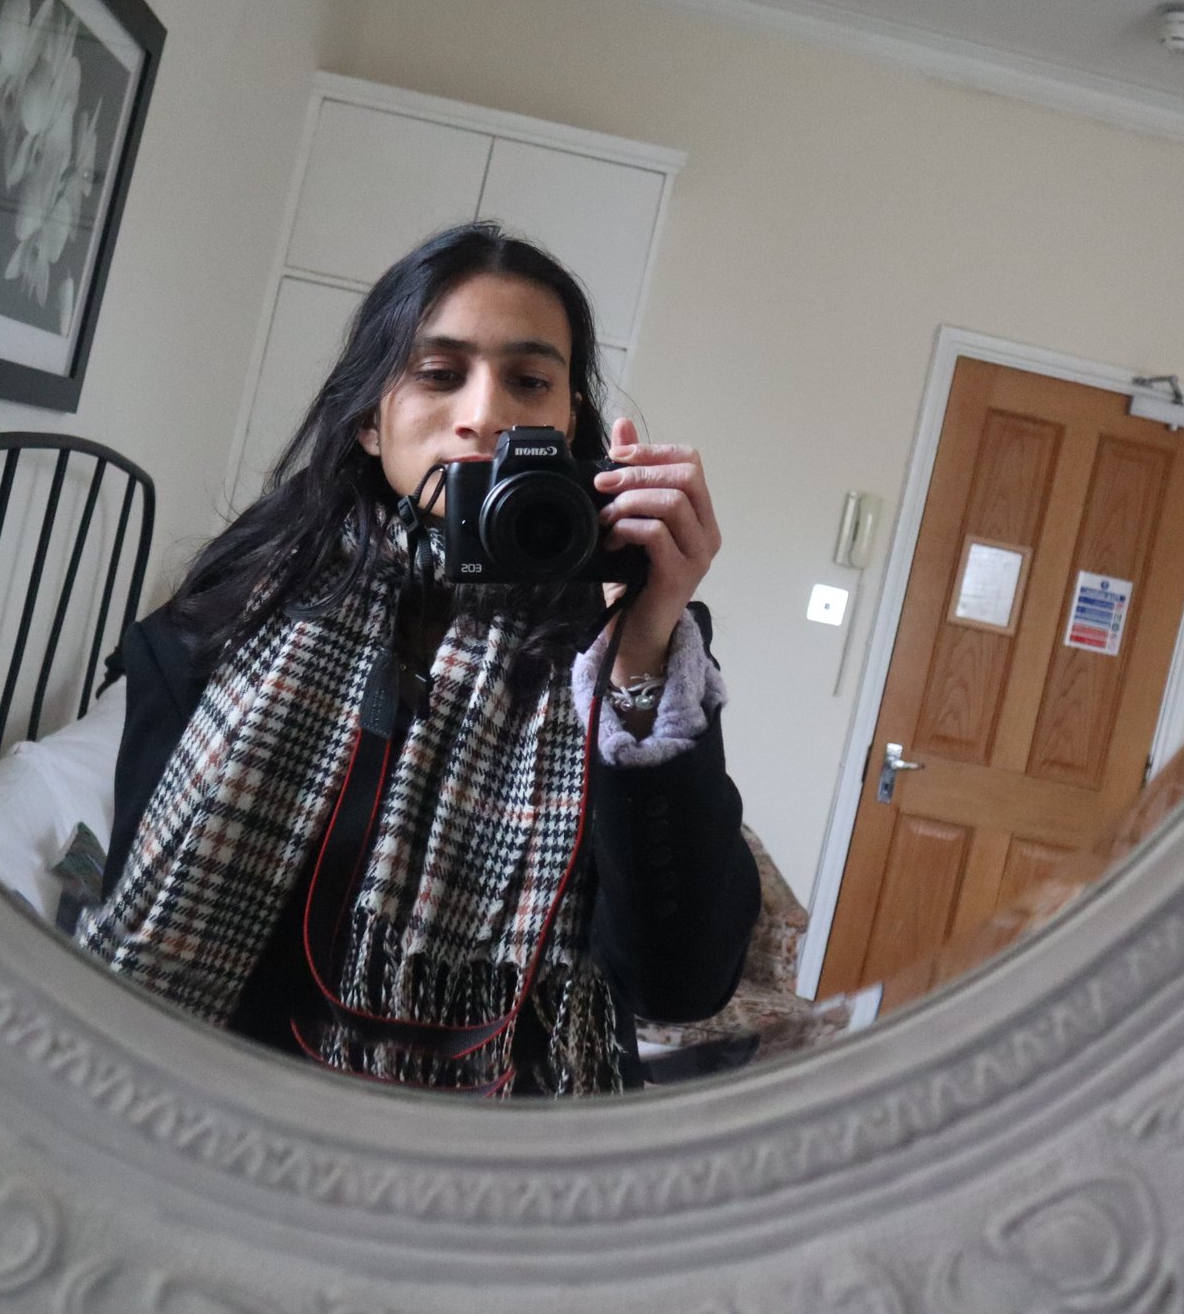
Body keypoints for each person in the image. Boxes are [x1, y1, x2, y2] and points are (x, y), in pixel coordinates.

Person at [75, 222, 761, 1097]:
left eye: (530, 379)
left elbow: (683, 983)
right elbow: (148, 924)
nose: (485, 413)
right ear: (369, 419)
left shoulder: (627, 631)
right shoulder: (227, 622)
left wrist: (643, 647)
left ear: (568, 422)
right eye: (438, 375)